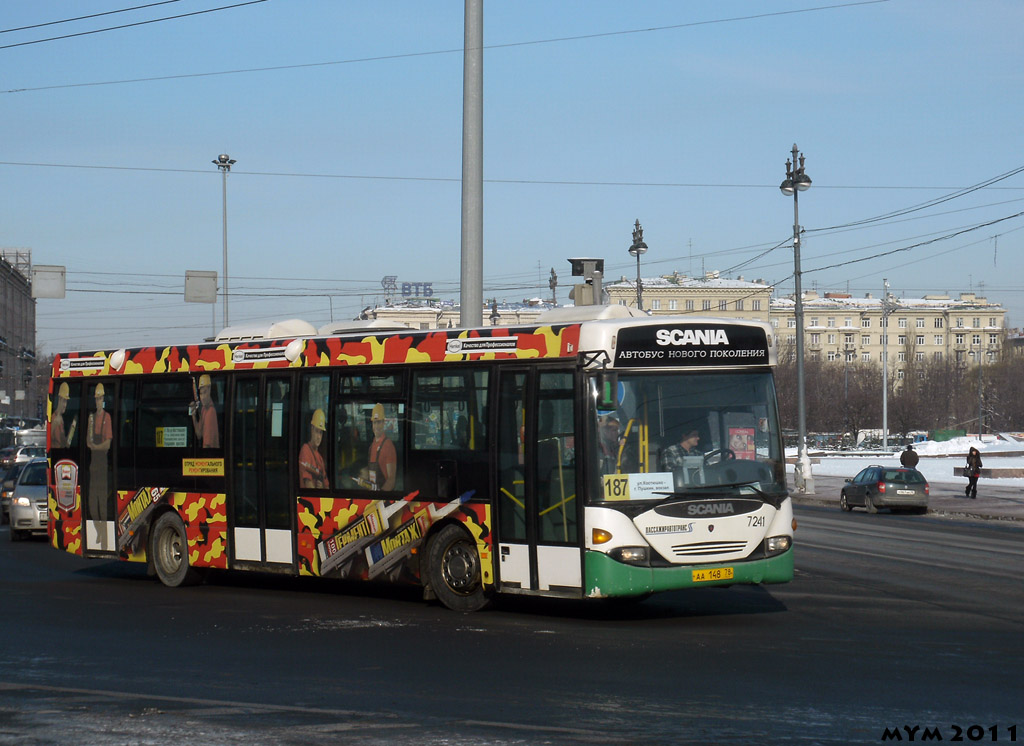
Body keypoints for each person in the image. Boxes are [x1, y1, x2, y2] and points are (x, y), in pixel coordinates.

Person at [86, 383, 113, 521]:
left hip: (102, 464)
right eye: (96, 399)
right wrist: (93, 445)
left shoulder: (106, 418)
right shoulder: (91, 418)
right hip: (93, 465)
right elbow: (87, 441)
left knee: (102, 499)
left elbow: (107, 444)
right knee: (92, 499)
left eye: (100, 398)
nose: (98, 401)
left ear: (103, 399)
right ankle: (96, 527)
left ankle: (103, 531)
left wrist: (96, 447)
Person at [368, 403, 397, 491]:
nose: (376, 426)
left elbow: (391, 480)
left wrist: (380, 498)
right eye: (375, 423)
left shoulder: (388, 446)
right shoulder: (372, 446)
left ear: (384, 423)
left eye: (379, 422)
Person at [299, 409, 329, 489]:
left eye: (321, 433)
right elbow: (308, 484)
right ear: (311, 429)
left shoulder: (320, 458)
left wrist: (322, 487)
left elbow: (327, 486)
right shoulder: (305, 451)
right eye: (316, 431)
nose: (319, 437)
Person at [191, 374, 220, 448]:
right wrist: (193, 415)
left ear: (210, 390)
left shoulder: (211, 412)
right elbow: (199, 435)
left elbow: (207, 446)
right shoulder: (204, 409)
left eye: (205, 392)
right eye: (201, 393)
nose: (203, 397)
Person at [51, 382, 78, 449]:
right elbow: (48, 439)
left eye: (66, 401)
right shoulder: (53, 418)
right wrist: (54, 424)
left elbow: (64, 444)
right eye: (63, 401)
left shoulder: (61, 420)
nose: (65, 405)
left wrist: (71, 432)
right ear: (59, 399)